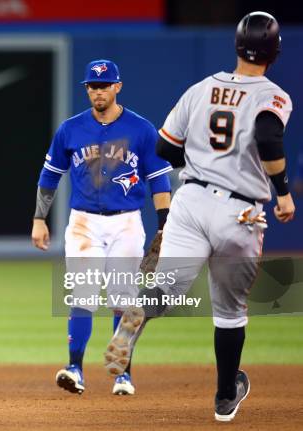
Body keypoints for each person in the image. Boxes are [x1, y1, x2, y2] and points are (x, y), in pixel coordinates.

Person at [104, 12, 295, 421]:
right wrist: (283, 193)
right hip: (239, 210)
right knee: (229, 312)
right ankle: (226, 397)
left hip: (189, 202)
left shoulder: (201, 88)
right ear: (274, 52)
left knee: (168, 289)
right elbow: (267, 136)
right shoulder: (273, 95)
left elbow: (166, 148)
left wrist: (204, 161)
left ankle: (137, 314)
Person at [32, 59, 172, 396]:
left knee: (123, 299)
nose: (98, 91)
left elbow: (159, 179)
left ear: (117, 87)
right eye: (93, 86)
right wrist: (39, 218)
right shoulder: (70, 129)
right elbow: (50, 175)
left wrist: (166, 224)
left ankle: (123, 375)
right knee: (83, 294)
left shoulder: (141, 129)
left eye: (104, 85)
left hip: (127, 222)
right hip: (84, 222)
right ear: (87, 89)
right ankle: (74, 368)